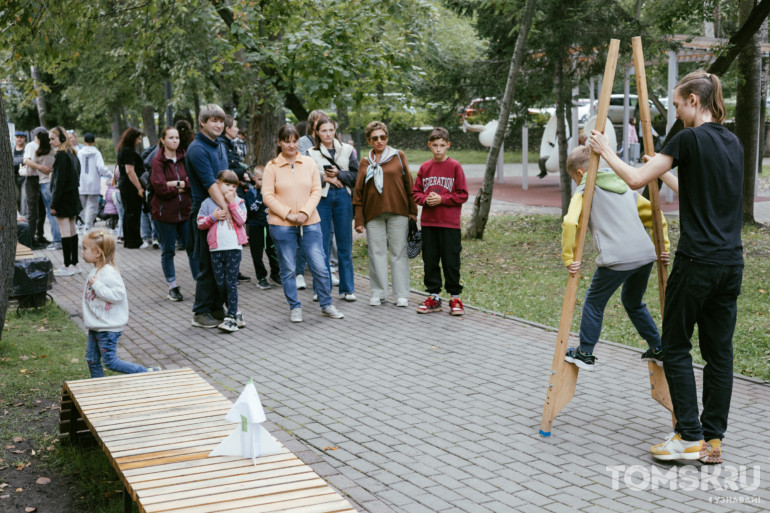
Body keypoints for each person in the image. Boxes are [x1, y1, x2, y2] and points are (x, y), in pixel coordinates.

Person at [588, 70, 743, 464]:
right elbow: (700, 193)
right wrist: (665, 173)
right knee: (719, 354)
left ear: (693, 99)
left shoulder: (687, 138)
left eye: (677, 103)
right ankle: (714, 440)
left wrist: (606, 152)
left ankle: (689, 436)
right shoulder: (732, 141)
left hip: (696, 264)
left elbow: (637, 180)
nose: (676, 110)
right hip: (730, 263)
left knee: (674, 346)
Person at [560, 145, 670, 372]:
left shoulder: (584, 190)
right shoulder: (625, 187)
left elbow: (570, 222)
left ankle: (585, 353)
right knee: (633, 302)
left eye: (574, 178)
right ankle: (658, 347)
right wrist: (664, 247)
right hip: (645, 255)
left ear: (580, 173)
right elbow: (656, 215)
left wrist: (569, 258)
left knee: (593, 302)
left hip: (617, 257)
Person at [262, 124, 344, 323]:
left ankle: (326, 304)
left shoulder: (308, 163)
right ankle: (295, 306)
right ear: (280, 142)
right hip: (282, 224)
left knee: (320, 266)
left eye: (295, 140)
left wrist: (305, 212)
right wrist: (288, 214)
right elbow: (267, 195)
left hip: (310, 222)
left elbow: (316, 190)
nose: (292, 145)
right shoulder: (271, 166)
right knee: (288, 268)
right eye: (287, 141)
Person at [353, 121, 417, 307]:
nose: (379, 141)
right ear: (369, 140)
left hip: (399, 211)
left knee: (399, 252)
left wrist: (413, 211)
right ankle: (378, 292)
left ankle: (401, 294)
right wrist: (358, 219)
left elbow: (409, 184)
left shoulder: (398, 156)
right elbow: (358, 192)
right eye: (375, 138)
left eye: (383, 137)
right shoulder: (365, 162)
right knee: (376, 253)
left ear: (387, 138)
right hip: (373, 214)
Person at [81, 230, 160, 377]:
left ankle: (147, 373)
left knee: (110, 362)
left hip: (108, 328)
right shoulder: (95, 271)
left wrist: (97, 286)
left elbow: (118, 295)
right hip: (97, 325)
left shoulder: (108, 272)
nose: (82, 252)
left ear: (97, 252)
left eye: (85, 248)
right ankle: (99, 387)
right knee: (92, 359)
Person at [412, 127, 469, 316]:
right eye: (435, 145)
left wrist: (442, 199)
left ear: (448, 145)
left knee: (451, 261)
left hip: (449, 224)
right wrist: (425, 199)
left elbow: (462, 194)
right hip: (429, 223)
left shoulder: (455, 167)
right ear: (429, 145)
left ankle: (455, 297)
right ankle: (434, 297)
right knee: (430, 261)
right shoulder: (425, 167)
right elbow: (416, 193)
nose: (438, 149)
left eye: (442, 146)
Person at [186, 104, 229, 329]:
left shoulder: (219, 145)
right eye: (213, 120)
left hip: (222, 210)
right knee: (207, 265)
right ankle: (200, 311)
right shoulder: (197, 149)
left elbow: (225, 179)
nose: (219, 125)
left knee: (220, 264)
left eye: (221, 121)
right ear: (202, 122)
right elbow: (210, 184)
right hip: (206, 213)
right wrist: (228, 211)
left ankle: (215, 308)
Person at [306, 117, 358, 301]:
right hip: (322, 199)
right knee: (321, 244)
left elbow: (356, 176)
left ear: (335, 130)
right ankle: (321, 288)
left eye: (331, 130)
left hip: (343, 197)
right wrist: (325, 178)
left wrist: (339, 174)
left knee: (344, 243)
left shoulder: (347, 150)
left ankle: (347, 288)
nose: (328, 134)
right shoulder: (310, 153)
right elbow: (306, 179)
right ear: (317, 133)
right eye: (324, 130)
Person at [197, 170, 248, 332]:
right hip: (216, 249)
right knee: (220, 283)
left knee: (231, 283)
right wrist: (212, 217)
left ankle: (231, 317)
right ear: (218, 183)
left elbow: (241, 220)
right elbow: (200, 223)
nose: (230, 189)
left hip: (233, 248)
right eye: (227, 185)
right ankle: (236, 312)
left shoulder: (239, 202)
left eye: (234, 186)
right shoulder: (208, 203)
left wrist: (232, 203)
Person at [151, 126, 194, 302]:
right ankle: (173, 286)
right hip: (164, 214)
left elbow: (192, 182)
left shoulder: (185, 157)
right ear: (163, 140)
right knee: (168, 250)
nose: (175, 141)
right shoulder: (157, 161)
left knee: (193, 249)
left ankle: (201, 284)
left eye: (176, 137)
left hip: (185, 212)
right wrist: (181, 186)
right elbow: (160, 188)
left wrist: (177, 184)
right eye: (170, 137)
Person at [218, 115, 251, 283]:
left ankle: (235, 270)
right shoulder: (223, 145)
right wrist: (241, 174)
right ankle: (229, 271)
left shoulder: (229, 144)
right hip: (229, 193)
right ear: (228, 129)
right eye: (235, 126)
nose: (237, 129)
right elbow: (226, 171)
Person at [49, 126, 83, 277]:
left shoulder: (62, 154)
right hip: (73, 195)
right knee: (72, 229)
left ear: (61, 139)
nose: (50, 142)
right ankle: (74, 263)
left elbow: (59, 182)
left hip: (63, 197)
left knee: (65, 231)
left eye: (52, 139)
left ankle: (67, 264)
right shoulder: (72, 153)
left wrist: (53, 203)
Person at [245, 166, 281, 290]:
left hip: (269, 225)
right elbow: (252, 209)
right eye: (260, 180)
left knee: (273, 251)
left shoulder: (272, 192)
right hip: (255, 227)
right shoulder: (250, 193)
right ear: (254, 178)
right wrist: (261, 196)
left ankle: (275, 274)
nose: (263, 183)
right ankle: (261, 277)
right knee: (257, 254)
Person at [22, 128, 53, 248]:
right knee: (32, 210)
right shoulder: (31, 145)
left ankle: (39, 235)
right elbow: (26, 161)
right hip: (33, 179)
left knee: (42, 210)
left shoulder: (47, 146)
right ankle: (30, 239)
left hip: (44, 180)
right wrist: (41, 167)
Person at [116, 128, 146, 249]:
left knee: (128, 213)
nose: (139, 141)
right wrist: (139, 187)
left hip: (125, 184)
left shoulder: (122, 150)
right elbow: (130, 171)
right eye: (138, 138)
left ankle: (129, 240)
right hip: (130, 186)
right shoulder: (128, 152)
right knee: (133, 213)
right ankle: (134, 241)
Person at [77, 133, 108, 232]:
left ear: (84, 142)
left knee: (80, 206)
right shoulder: (97, 153)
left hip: (81, 183)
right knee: (92, 207)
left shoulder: (79, 153)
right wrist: (110, 175)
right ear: (94, 141)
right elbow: (101, 167)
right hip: (94, 184)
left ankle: (80, 224)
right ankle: (88, 226)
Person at [13, 131, 27, 215]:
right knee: (16, 197)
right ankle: (17, 216)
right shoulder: (11, 150)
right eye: (17, 137)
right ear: (14, 138)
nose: (19, 139)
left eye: (21, 137)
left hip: (25, 177)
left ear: (24, 138)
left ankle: (24, 216)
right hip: (14, 177)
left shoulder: (27, 149)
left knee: (24, 198)